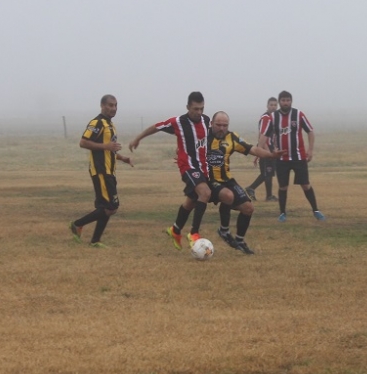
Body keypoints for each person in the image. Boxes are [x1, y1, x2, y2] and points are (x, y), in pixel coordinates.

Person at [128, 91, 212, 250]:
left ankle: (175, 230)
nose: (199, 112)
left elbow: (209, 138)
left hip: (203, 168)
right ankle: (194, 233)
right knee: (205, 193)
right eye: (195, 109)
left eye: (201, 108)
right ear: (188, 107)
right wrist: (138, 138)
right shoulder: (178, 122)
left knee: (192, 201)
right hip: (187, 166)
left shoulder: (206, 120)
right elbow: (156, 127)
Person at [207, 111, 283, 254]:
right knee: (228, 196)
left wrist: (271, 154)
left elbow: (253, 149)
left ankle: (240, 240)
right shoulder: (203, 137)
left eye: (225, 125)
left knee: (248, 208)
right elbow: (188, 146)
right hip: (209, 180)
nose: (222, 128)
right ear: (211, 124)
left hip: (227, 180)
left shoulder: (232, 137)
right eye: (218, 125)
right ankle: (224, 231)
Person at [69, 95, 133, 247]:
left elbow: (108, 151)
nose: (113, 108)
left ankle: (95, 240)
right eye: (110, 105)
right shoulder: (97, 123)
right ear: (102, 106)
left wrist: (122, 158)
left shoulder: (110, 125)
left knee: (107, 208)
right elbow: (83, 142)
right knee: (111, 207)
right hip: (100, 171)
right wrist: (106, 147)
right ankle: (77, 224)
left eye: (116, 105)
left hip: (109, 171)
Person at [258, 90, 325, 222]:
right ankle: (282, 213)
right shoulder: (273, 118)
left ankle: (316, 210)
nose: (286, 103)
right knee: (283, 187)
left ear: (291, 101)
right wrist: (260, 151)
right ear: (279, 102)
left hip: (299, 157)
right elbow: (264, 135)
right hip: (282, 159)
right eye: (283, 100)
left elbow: (310, 132)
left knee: (305, 184)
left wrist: (310, 150)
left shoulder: (298, 114)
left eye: (288, 100)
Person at [245, 97, 279, 202]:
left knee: (268, 173)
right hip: (265, 147)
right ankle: (266, 195)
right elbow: (262, 135)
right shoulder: (266, 118)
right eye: (271, 105)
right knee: (267, 172)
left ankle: (253, 189)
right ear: (267, 106)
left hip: (271, 147)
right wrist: (263, 151)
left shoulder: (274, 118)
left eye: (275, 105)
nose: (273, 107)